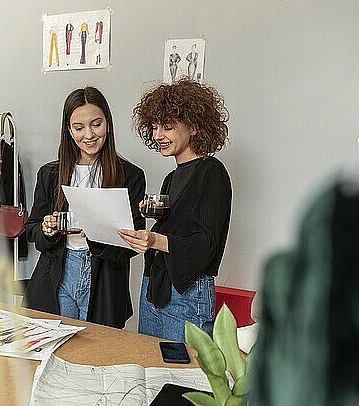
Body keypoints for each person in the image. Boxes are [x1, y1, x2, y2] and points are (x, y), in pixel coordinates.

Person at [24, 86, 146, 328]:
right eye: (79, 128)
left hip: (105, 278)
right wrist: (47, 229)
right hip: (58, 272)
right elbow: (32, 231)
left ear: (108, 124)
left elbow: (134, 243)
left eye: (96, 124)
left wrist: (99, 234)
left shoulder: (129, 175)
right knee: (56, 351)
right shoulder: (50, 174)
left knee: (98, 357)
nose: (88, 135)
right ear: (69, 131)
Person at [119, 78, 231, 340]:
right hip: (155, 288)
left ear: (193, 126)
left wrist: (155, 239)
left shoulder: (211, 172)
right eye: (155, 127)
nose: (158, 135)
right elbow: (180, 225)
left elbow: (205, 245)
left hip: (187, 293)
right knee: (150, 369)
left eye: (167, 127)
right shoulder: (172, 178)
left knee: (183, 375)